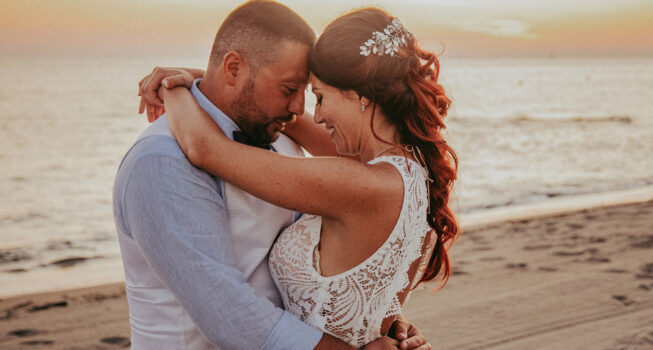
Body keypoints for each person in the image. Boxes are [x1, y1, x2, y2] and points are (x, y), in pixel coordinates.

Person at [116, 1, 427, 349]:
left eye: (312, 94)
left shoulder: (281, 138)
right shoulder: (161, 161)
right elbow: (230, 315)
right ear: (233, 69)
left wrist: (376, 320)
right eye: (289, 89)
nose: (301, 110)